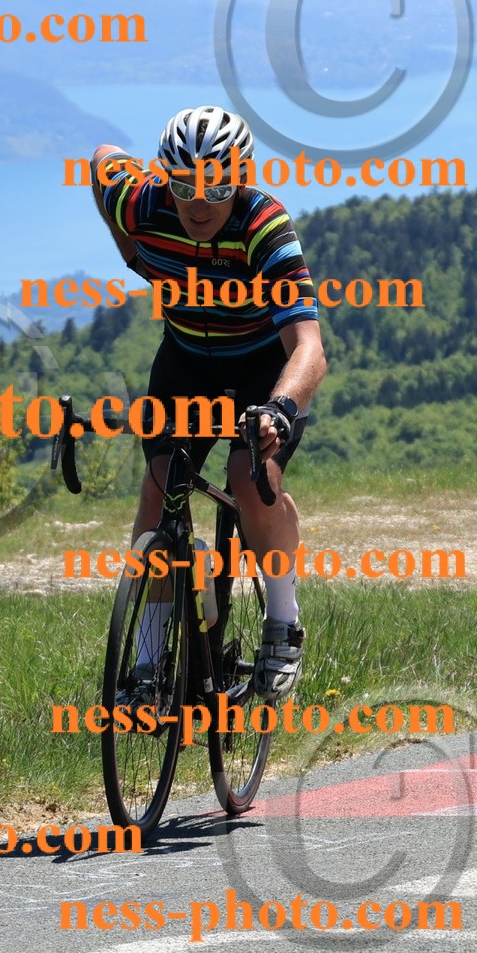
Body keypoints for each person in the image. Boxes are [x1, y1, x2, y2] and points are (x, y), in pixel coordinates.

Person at [90, 106, 326, 700]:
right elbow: (101, 162)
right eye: (185, 186)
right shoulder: (142, 203)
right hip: (187, 360)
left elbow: (309, 347)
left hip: (259, 366)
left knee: (251, 479)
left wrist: (280, 409)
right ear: (166, 177)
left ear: (240, 179)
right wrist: (134, 255)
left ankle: (283, 622)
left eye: (217, 188)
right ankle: (148, 663)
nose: (199, 203)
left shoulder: (263, 225)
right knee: (160, 486)